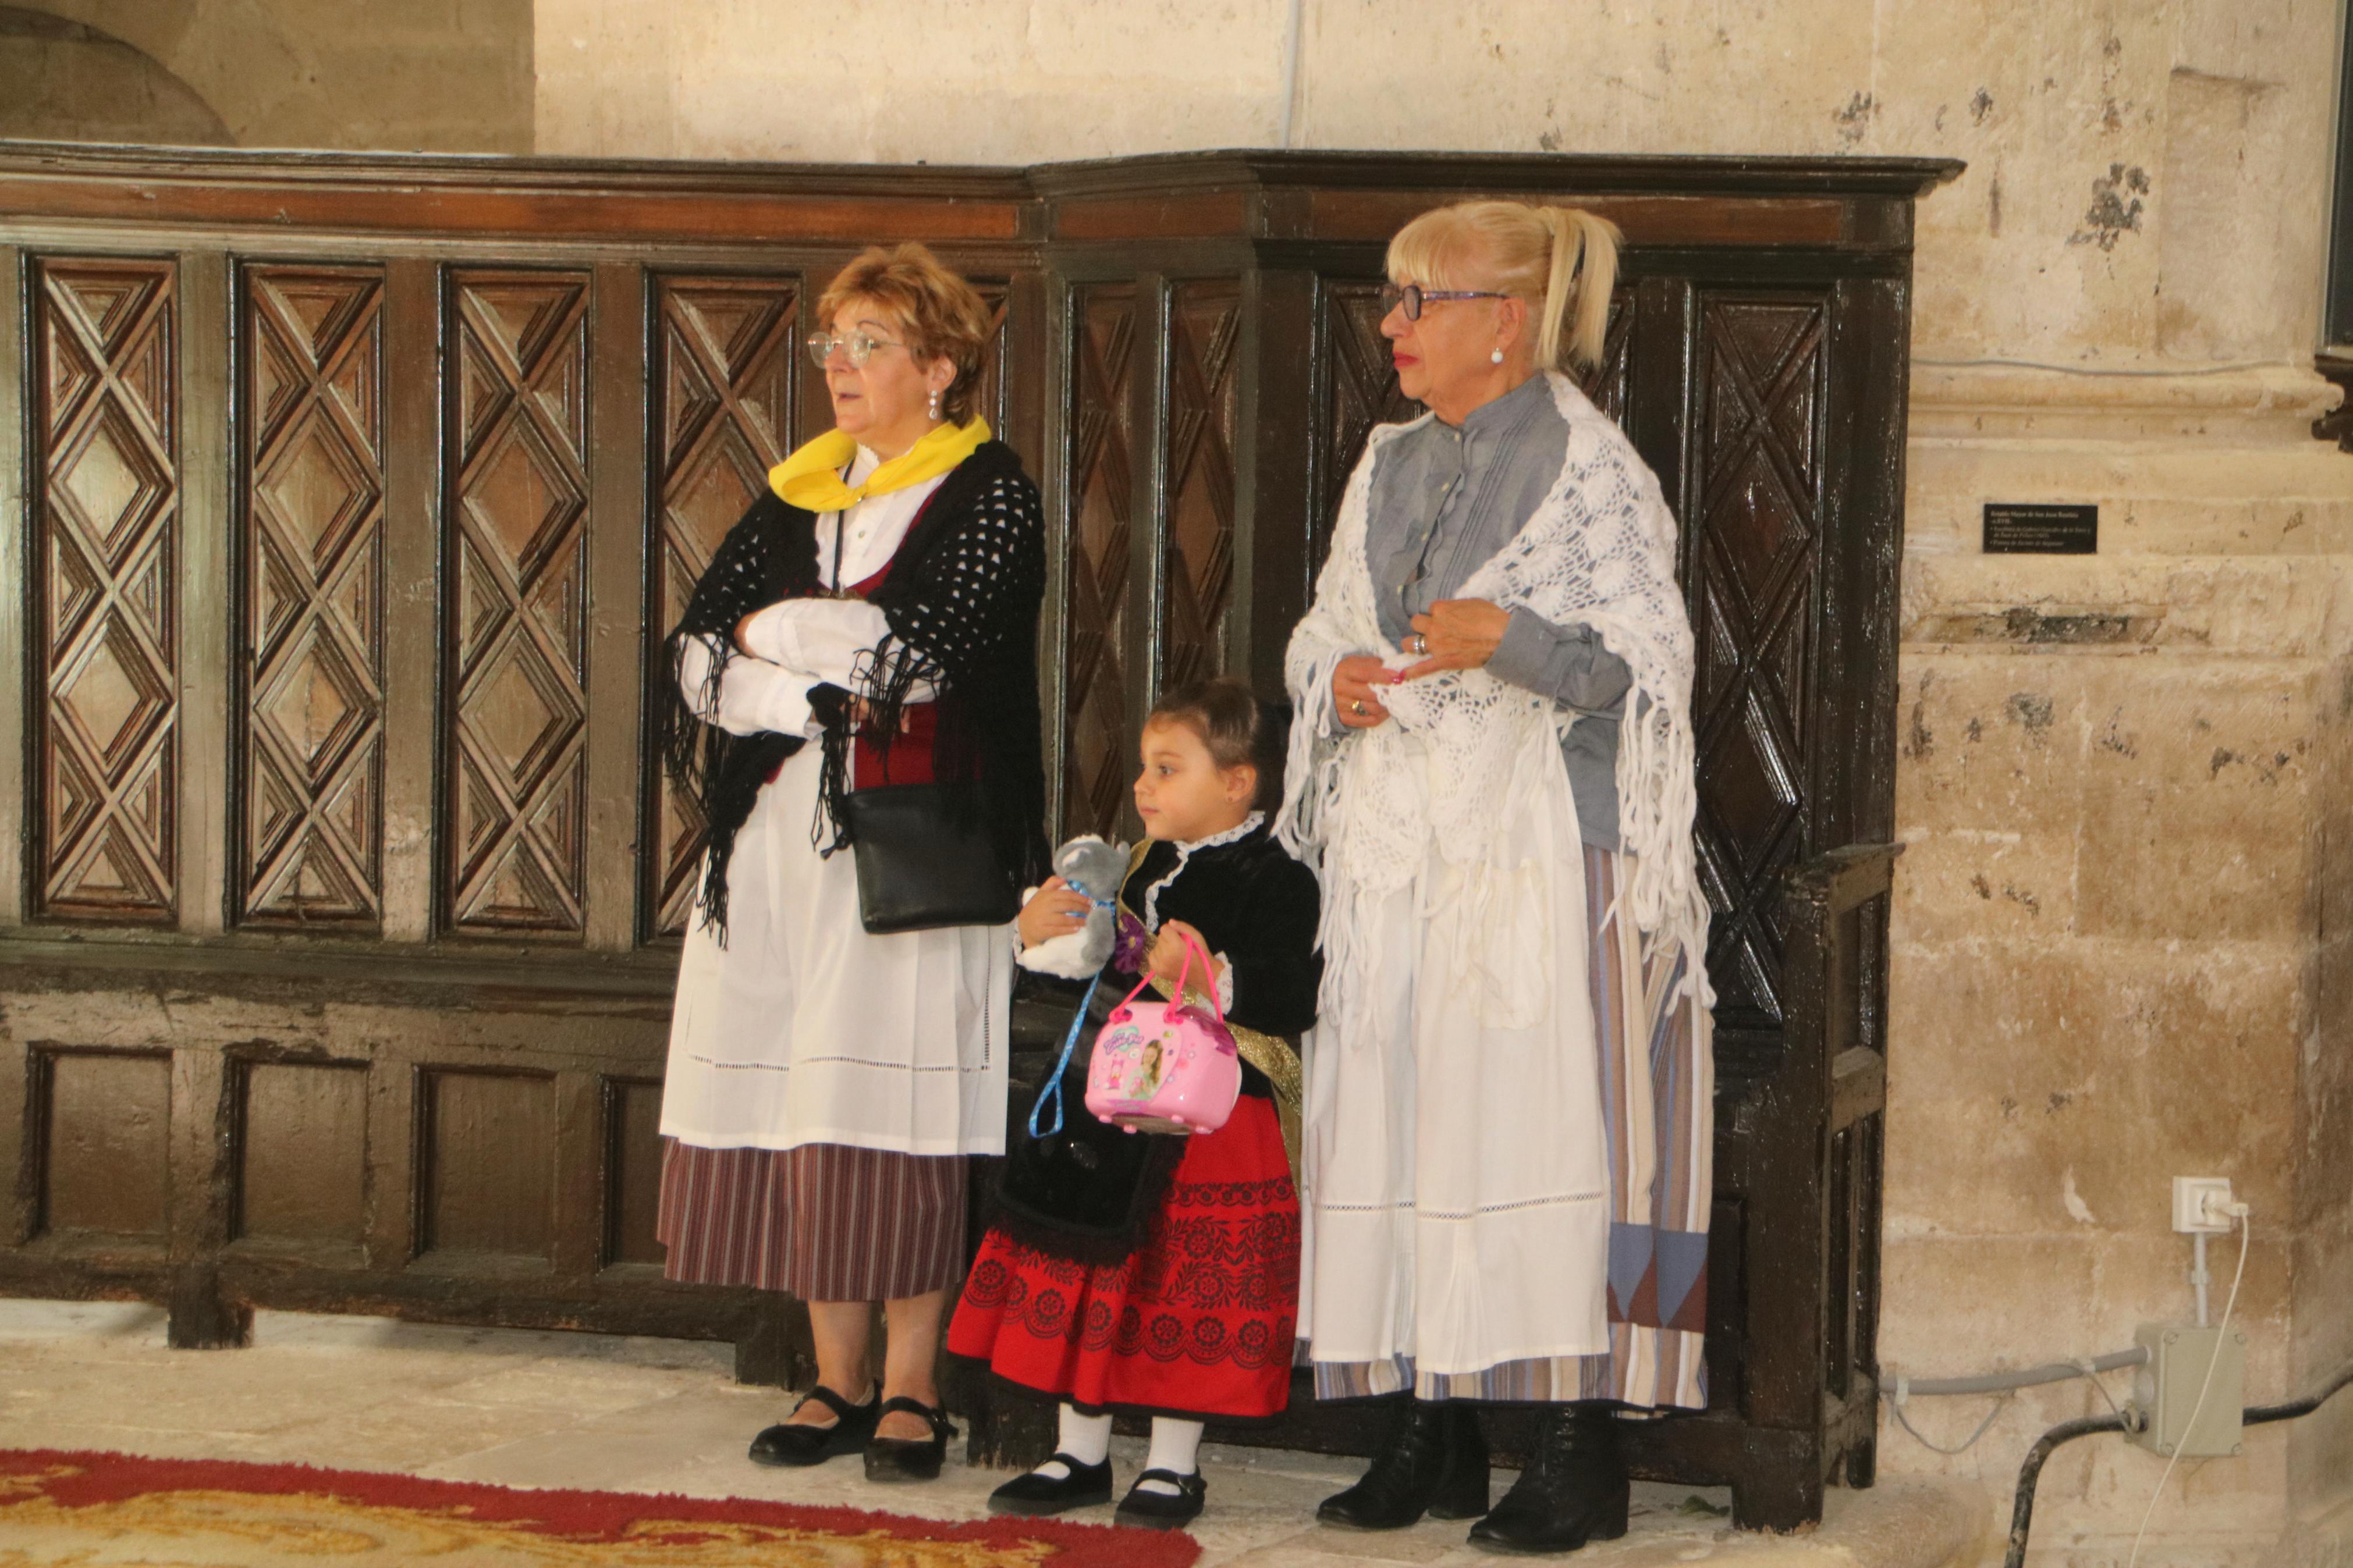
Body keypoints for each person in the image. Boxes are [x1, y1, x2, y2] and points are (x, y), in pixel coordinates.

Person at [1277, 201, 1715, 1554]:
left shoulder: (1594, 467)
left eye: (1423, 299)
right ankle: (1433, 1419)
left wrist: (1509, 638)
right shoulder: (1388, 457)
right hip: (1408, 854)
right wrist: (1338, 680)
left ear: (1506, 322)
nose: (1395, 325)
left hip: (1551, 859)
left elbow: (1644, 661)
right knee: (1410, 1115)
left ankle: (1577, 1447)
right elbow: (1322, 631)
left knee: (1549, 1134)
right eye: (1393, 297)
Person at [652, 242, 1048, 1485]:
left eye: (869, 342)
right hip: (777, 848)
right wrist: (786, 671)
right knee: (807, 1111)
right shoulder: (796, 494)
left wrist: (773, 644)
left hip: (913, 852)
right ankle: (833, 1378)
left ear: (939, 366)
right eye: (832, 342)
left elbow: (915, 654)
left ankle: (917, 1388)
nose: (840, 364)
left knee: (899, 1113)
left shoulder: (989, 491)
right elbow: (695, 659)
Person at [947, 678, 1321, 1531]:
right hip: (1108, 1108)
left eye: (1167, 768)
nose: (1144, 786)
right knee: (1084, 1266)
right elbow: (1095, 960)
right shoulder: (1139, 865)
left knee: (1176, 1284)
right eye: (1145, 769)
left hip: (1208, 1121)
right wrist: (1042, 930)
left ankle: (1171, 1465)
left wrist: (1212, 976)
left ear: (1238, 783)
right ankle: (1077, 1451)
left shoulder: (1277, 878)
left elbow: (1290, 993)